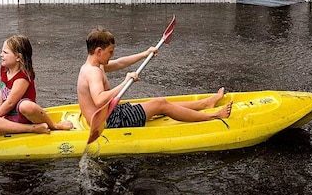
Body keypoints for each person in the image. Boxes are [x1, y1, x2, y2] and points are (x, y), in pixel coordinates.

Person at [76, 27, 232, 130]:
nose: (112, 55)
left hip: (111, 113)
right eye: (110, 51)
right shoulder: (93, 72)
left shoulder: (94, 65)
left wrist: (145, 54)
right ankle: (213, 116)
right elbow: (99, 99)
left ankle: (205, 103)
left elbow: (119, 63)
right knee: (160, 104)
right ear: (98, 51)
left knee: (158, 103)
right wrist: (124, 82)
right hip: (109, 122)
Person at [0, 35, 73, 135]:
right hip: (10, 119)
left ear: (18, 57)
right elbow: (2, 90)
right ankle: (32, 128)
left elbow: (10, 103)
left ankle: (54, 126)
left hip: (25, 116)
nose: (1, 55)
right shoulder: (5, 69)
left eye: (5, 52)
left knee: (25, 106)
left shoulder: (22, 77)